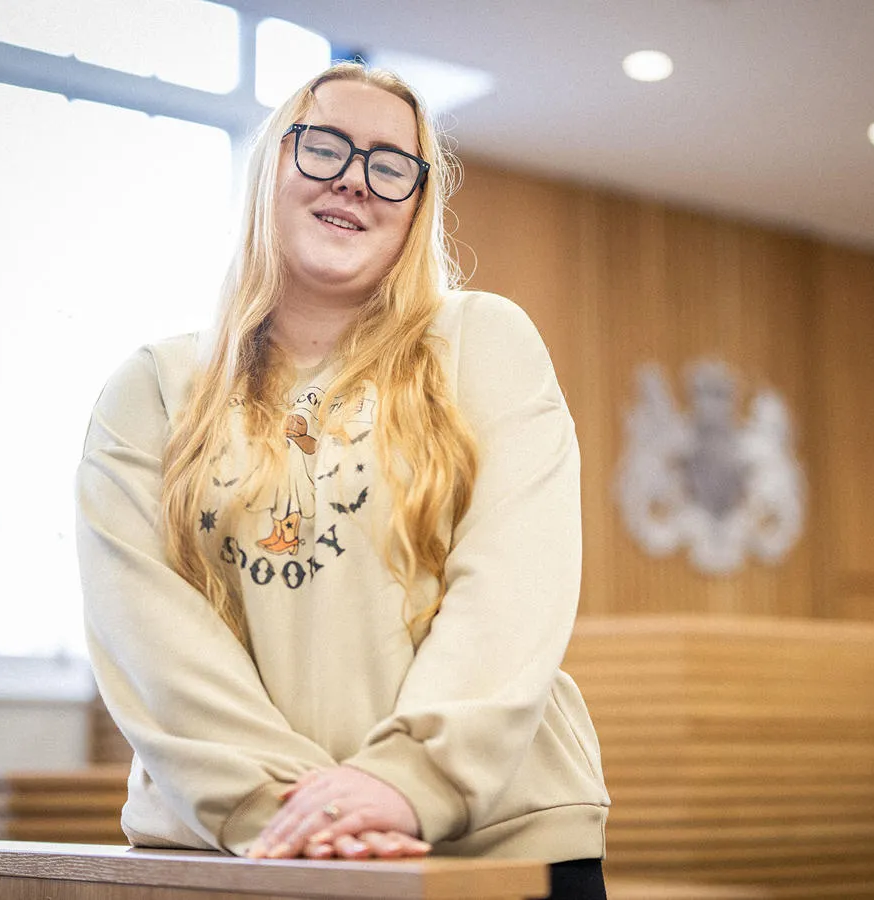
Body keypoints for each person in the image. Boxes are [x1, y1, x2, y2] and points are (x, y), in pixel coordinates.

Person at [76, 62, 609, 899]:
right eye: (324, 147)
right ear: (271, 168)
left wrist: (409, 780)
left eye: (390, 166)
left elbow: (515, 583)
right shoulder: (150, 389)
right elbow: (145, 632)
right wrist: (287, 809)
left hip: (490, 846)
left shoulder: (483, 342)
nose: (354, 181)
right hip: (233, 851)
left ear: (417, 204)